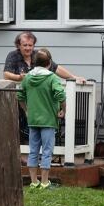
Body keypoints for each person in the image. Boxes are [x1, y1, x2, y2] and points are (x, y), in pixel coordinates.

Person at [18, 49, 66, 190]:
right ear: (49, 63)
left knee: (33, 151)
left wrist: (26, 111)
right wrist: (64, 110)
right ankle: (45, 183)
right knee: (47, 151)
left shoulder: (27, 78)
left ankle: (34, 182)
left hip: (33, 120)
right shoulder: (52, 78)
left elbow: (20, 97)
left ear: (34, 62)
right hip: (49, 120)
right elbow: (60, 95)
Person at [3, 31, 85, 83]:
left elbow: (56, 68)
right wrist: (19, 77)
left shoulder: (38, 54)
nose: (28, 48)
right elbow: (6, 75)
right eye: (25, 45)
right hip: (19, 95)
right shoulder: (12, 55)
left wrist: (74, 77)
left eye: (30, 45)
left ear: (34, 45)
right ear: (18, 45)